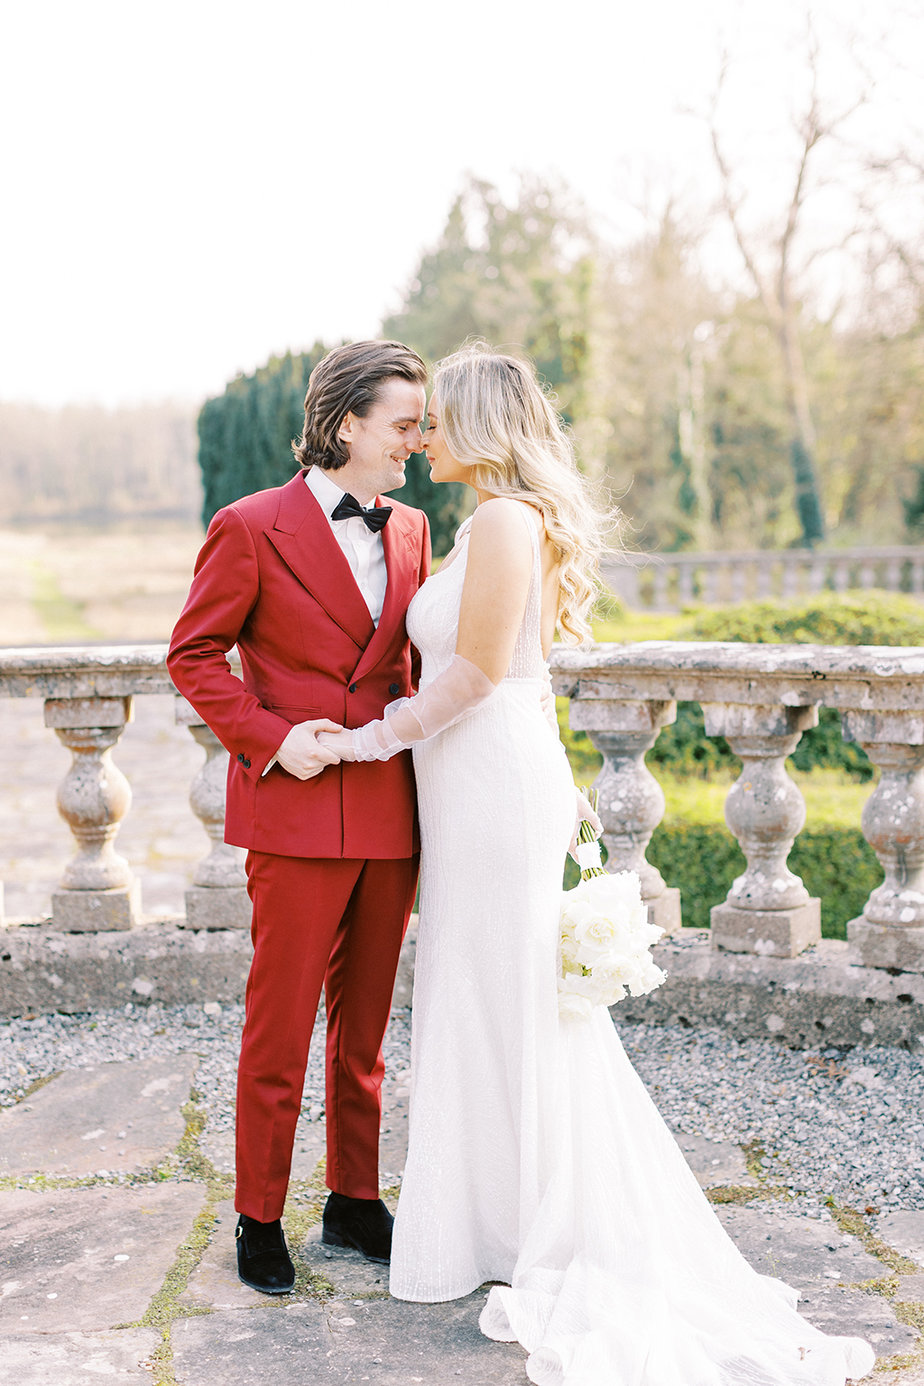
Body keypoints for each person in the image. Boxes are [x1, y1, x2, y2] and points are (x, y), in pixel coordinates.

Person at [315, 344, 875, 1385]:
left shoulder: (500, 522)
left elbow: (479, 672)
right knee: (477, 989)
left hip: (484, 784)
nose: (424, 435)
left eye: (438, 418)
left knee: (504, 994)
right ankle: (495, 1219)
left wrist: (364, 741)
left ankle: (529, 1223)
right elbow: (510, 672)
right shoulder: (486, 523)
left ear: (481, 426)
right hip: (481, 785)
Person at [167, 340, 430, 1294]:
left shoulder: (412, 529)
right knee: (277, 1029)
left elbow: (407, 673)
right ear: (347, 422)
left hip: (392, 812)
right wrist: (275, 737)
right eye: (404, 423)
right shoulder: (248, 525)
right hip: (295, 811)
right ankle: (259, 1214)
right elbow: (193, 656)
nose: (419, 441)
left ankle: (354, 1202)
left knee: (363, 1031)